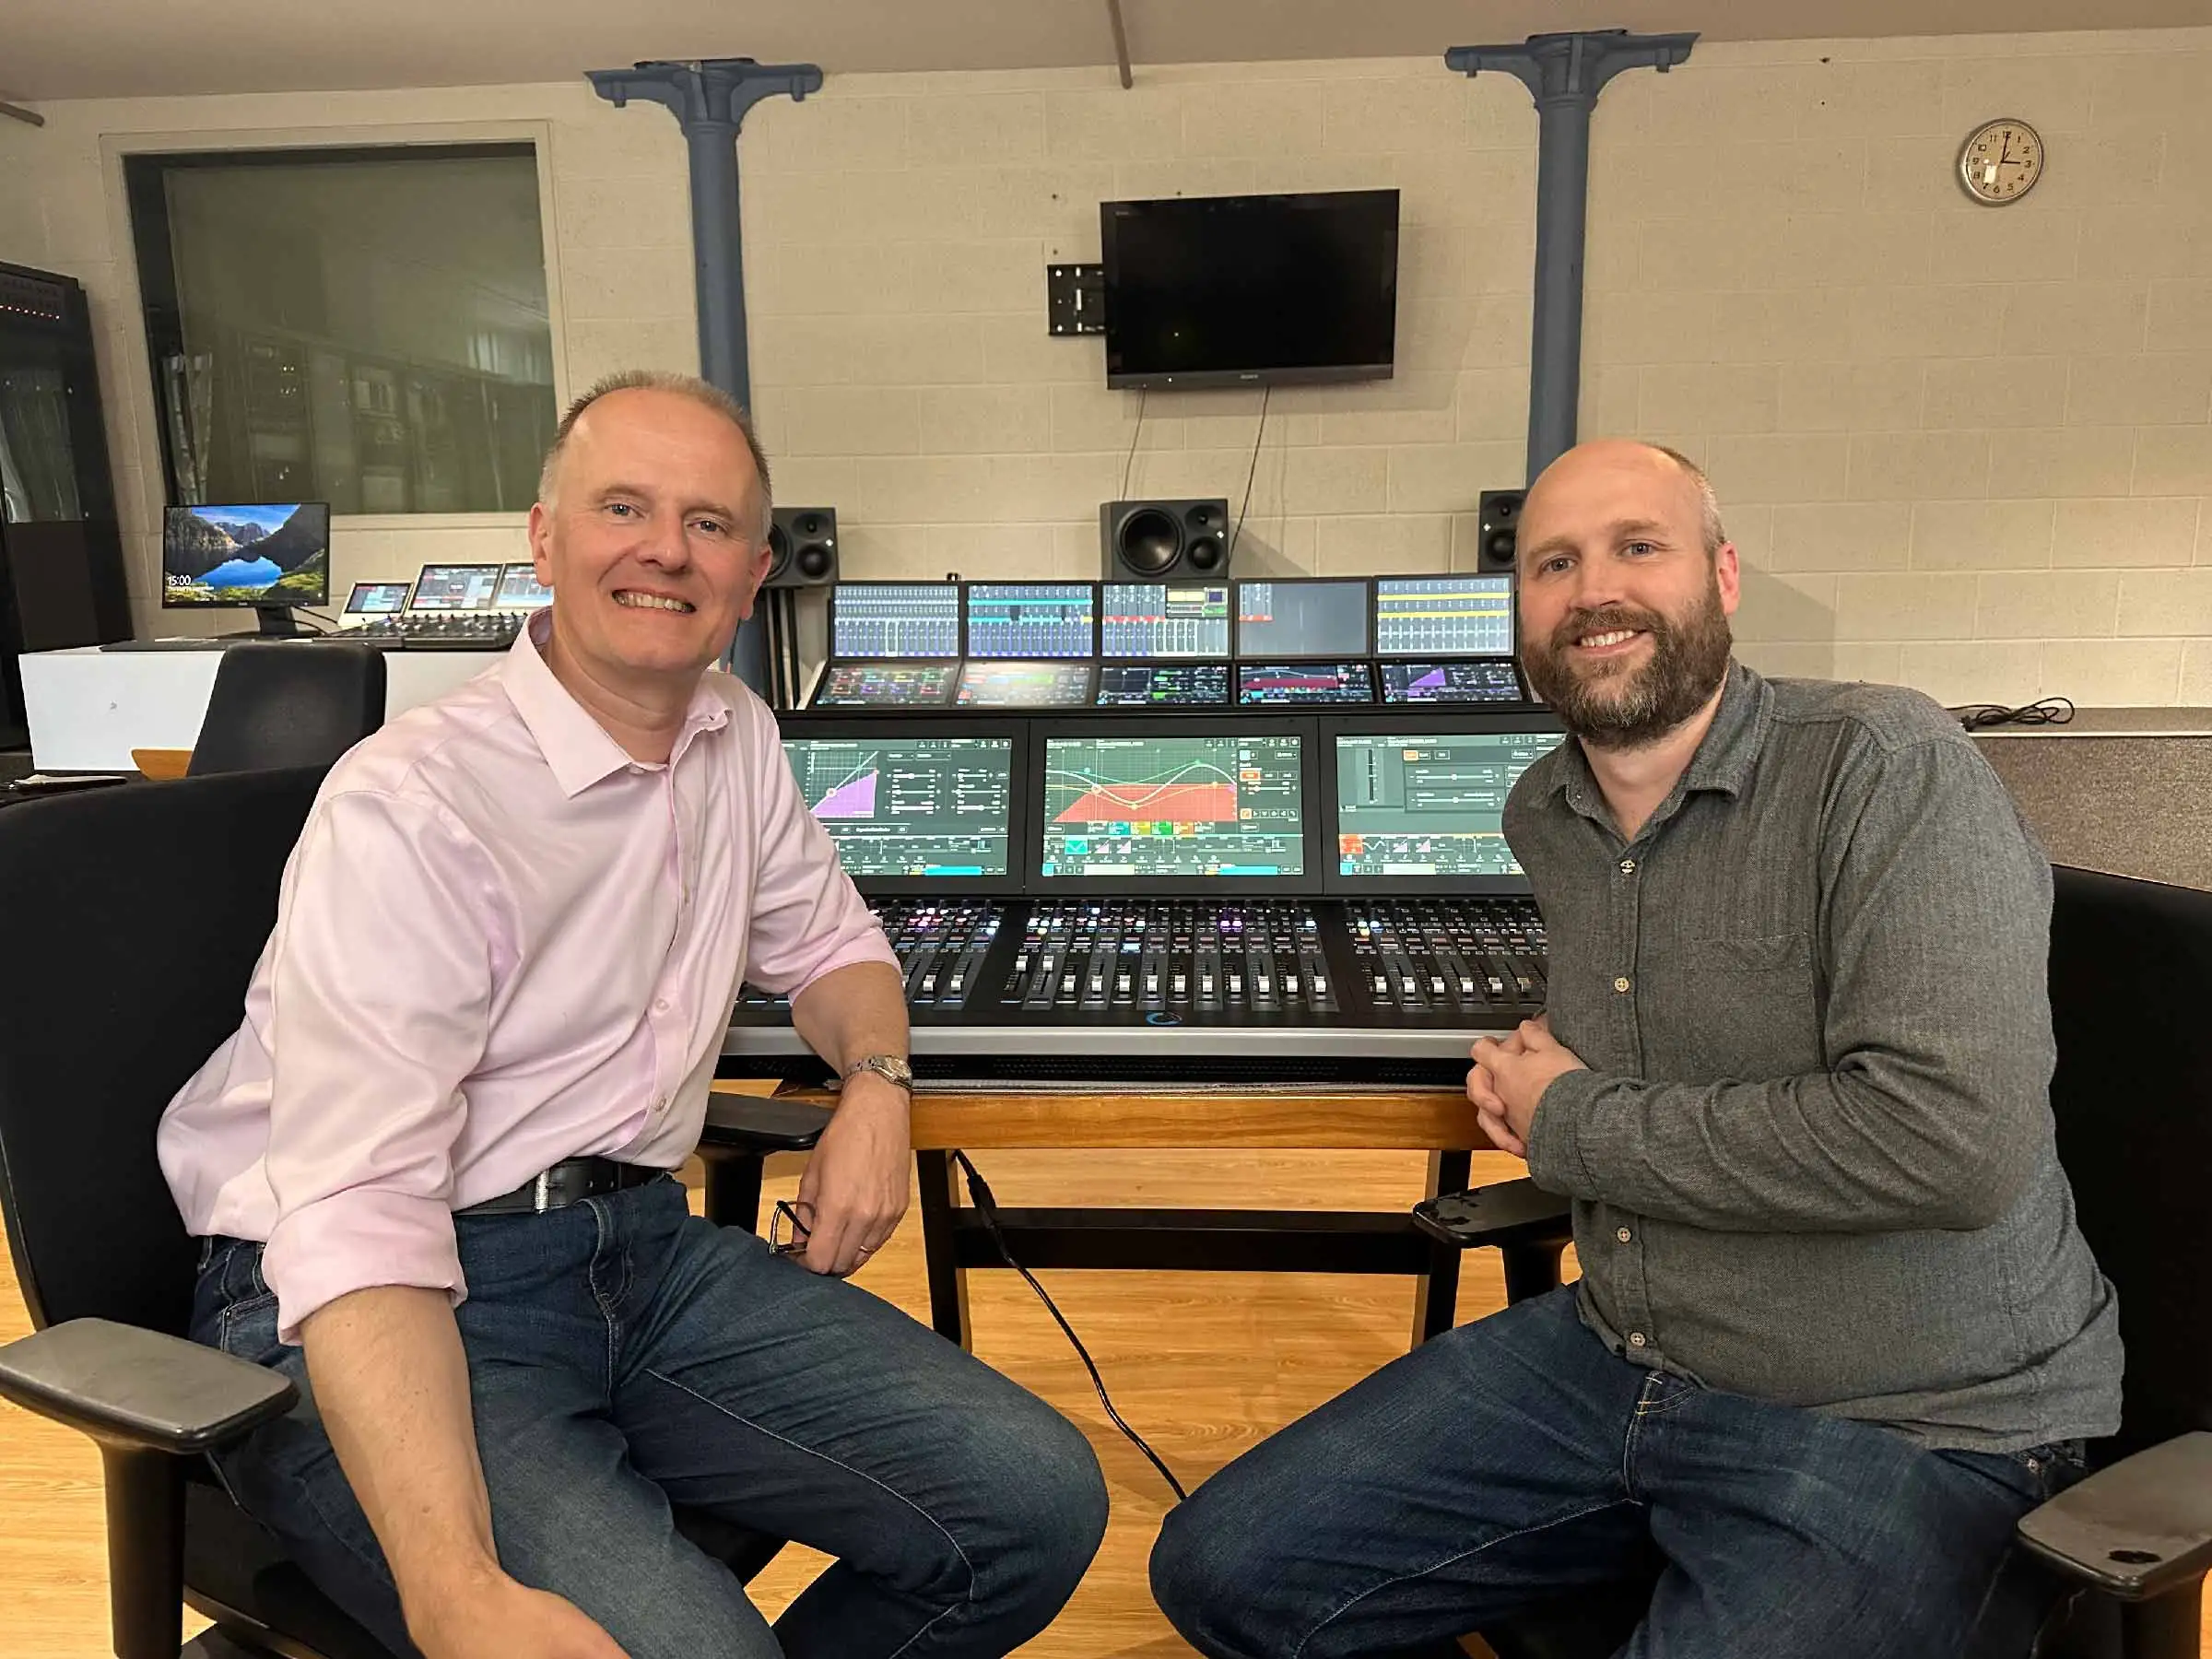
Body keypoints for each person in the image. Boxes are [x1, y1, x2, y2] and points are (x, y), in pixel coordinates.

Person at [159, 371, 1107, 1659]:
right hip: (377, 1290)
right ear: (545, 539)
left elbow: (834, 947)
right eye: (624, 508)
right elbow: (357, 1210)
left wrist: (877, 1085)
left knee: (1035, 1507)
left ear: (755, 568)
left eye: (709, 524)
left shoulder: (733, 733)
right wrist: (452, 1590)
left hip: (634, 1252)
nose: (667, 548)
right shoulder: (416, 807)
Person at [1149, 439, 2121, 1659]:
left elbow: (1946, 1142)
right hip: (1619, 1358)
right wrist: (1559, 1092)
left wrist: (1569, 1119)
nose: (1592, 590)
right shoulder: (1543, 813)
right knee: (1225, 1571)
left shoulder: (1887, 763)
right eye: (1554, 562)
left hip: (1909, 1419)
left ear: (1721, 579)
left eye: (1637, 548)